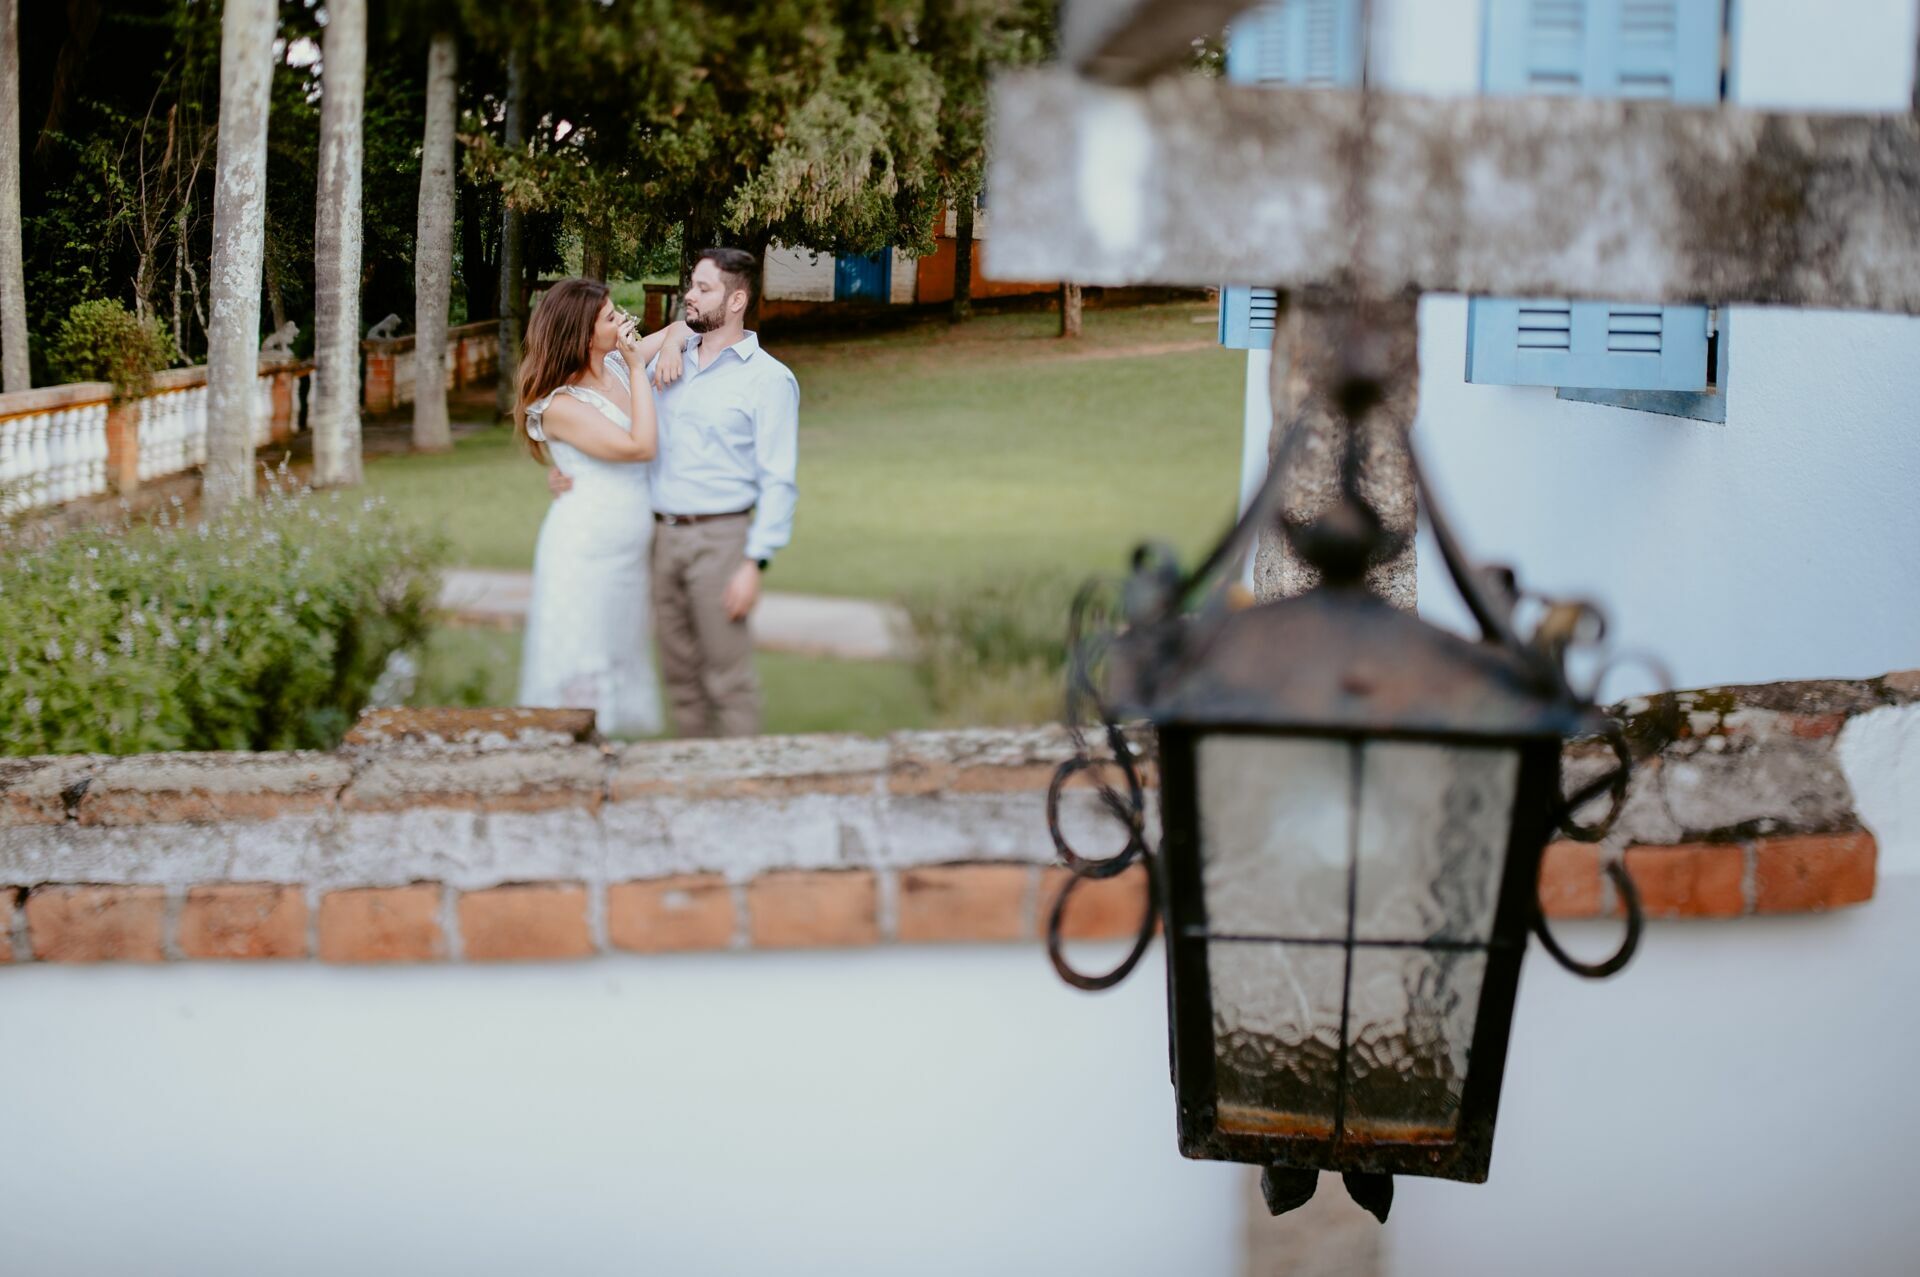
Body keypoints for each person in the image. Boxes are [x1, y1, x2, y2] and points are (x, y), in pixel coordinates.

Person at [547, 249, 799, 738]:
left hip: (720, 539)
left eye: (704, 288)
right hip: (660, 539)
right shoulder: (662, 366)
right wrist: (564, 470)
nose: (689, 293)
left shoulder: (769, 381)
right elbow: (594, 408)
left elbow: (779, 479)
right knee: (680, 678)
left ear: (737, 300)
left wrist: (755, 562)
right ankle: (694, 785)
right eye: (692, 283)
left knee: (728, 679)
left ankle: (743, 791)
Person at [515, 277, 689, 734]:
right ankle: (575, 749)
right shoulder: (558, 405)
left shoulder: (613, 364)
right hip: (584, 550)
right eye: (611, 317)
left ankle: (608, 746)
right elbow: (640, 447)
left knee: (617, 647)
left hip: (628, 548)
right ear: (583, 333)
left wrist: (668, 349)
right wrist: (638, 369)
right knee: (581, 652)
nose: (624, 320)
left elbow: (683, 328)